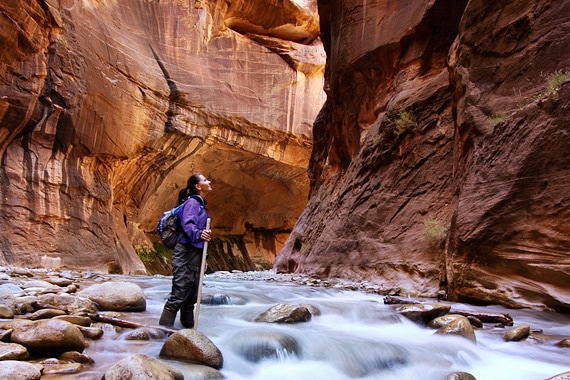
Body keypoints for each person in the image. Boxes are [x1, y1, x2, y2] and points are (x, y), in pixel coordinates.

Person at [159, 173, 212, 328]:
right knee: (180, 290)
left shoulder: (200, 205)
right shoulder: (192, 203)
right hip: (185, 252)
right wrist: (199, 233)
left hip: (195, 252)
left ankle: (187, 332)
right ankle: (162, 331)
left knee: (192, 295)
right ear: (197, 186)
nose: (208, 182)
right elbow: (188, 224)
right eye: (205, 180)